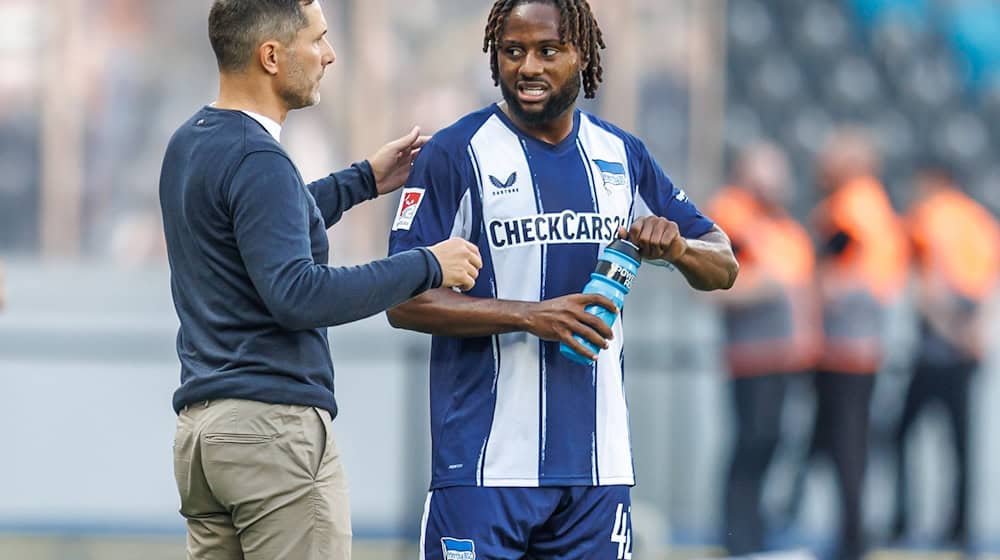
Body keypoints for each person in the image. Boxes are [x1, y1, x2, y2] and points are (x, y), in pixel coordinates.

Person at [385, 1, 738, 558]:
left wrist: (679, 247)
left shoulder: (622, 153)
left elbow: (724, 264)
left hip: (598, 471)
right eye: (513, 51)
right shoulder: (455, 153)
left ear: (583, 55)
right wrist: (530, 315)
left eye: (548, 50)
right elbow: (401, 299)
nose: (529, 66)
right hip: (482, 467)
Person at [159, 1, 482, 558]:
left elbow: (264, 226)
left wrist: (362, 180)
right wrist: (428, 264)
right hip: (272, 434)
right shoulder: (258, 157)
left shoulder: (192, 142)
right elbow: (298, 293)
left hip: (204, 439)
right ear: (270, 56)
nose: (329, 55)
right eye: (318, 40)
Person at [707, 142, 820, 556]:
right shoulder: (734, 217)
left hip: (784, 356)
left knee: (772, 442)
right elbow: (714, 287)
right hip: (751, 356)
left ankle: (757, 529)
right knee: (751, 442)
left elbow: (803, 290)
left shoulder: (784, 228)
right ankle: (737, 535)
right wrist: (765, 287)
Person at [803, 128, 908, 560]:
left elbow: (834, 274)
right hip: (862, 346)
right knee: (842, 444)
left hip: (842, 348)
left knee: (845, 447)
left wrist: (817, 291)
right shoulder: (878, 206)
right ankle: (850, 533)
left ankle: (851, 540)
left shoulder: (849, 207)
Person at [890, 162, 1000, 547]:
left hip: (938, 349)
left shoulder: (929, 216)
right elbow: (989, 283)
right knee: (960, 444)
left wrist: (952, 332)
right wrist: (974, 332)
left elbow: (926, 288)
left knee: (901, 436)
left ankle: (901, 521)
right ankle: (960, 527)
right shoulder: (981, 221)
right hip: (968, 348)